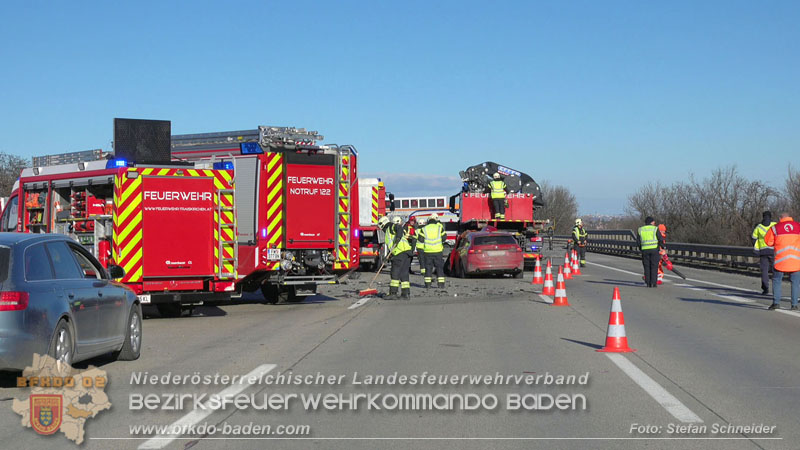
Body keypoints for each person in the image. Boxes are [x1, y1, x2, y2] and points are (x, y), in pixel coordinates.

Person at [764, 212, 800, 310]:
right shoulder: (798, 226)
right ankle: (794, 305)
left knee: (777, 280)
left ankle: (776, 303)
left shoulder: (775, 228)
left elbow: (768, 242)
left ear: (780, 218)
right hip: (796, 261)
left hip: (781, 261)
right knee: (795, 282)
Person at [381, 216, 413, 299]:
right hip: (406, 252)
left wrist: (398, 238)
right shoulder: (389, 231)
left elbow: (399, 228)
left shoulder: (390, 227)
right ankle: (406, 294)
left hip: (400, 253)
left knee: (395, 273)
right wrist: (387, 257)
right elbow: (392, 248)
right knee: (404, 274)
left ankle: (393, 293)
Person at [419, 213, 448, 289]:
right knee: (439, 268)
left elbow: (420, 239)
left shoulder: (424, 229)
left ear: (428, 221)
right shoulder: (439, 228)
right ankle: (441, 284)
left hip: (427, 252)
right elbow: (444, 238)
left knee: (428, 268)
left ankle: (428, 284)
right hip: (438, 251)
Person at [752, 211, 777, 295]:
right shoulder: (775, 225)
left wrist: (757, 248)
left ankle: (765, 288)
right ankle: (776, 289)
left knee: (764, 271)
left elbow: (753, 238)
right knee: (775, 271)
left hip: (763, 251)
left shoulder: (759, 227)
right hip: (773, 251)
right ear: (770, 216)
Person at [638, 217, 664, 288]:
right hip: (654, 250)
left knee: (646, 266)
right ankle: (653, 283)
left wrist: (641, 249)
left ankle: (648, 283)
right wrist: (662, 247)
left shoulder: (640, 229)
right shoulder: (655, 229)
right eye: (653, 222)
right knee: (654, 266)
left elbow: (638, 241)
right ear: (651, 222)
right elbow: (660, 239)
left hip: (645, 250)